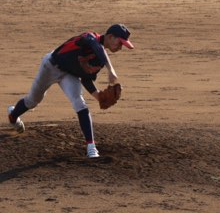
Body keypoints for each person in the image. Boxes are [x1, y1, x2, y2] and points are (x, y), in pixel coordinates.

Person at [7, 24, 134, 158]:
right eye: (120, 43)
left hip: (69, 75)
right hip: (50, 67)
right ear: (110, 37)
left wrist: (98, 96)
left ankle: (91, 147)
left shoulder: (100, 61)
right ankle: (13, 116)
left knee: (80, 104)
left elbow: (86, 79)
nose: (120, 47)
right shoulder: (90, 37)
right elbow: (96, 46)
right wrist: (111, 70)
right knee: (33, 101)